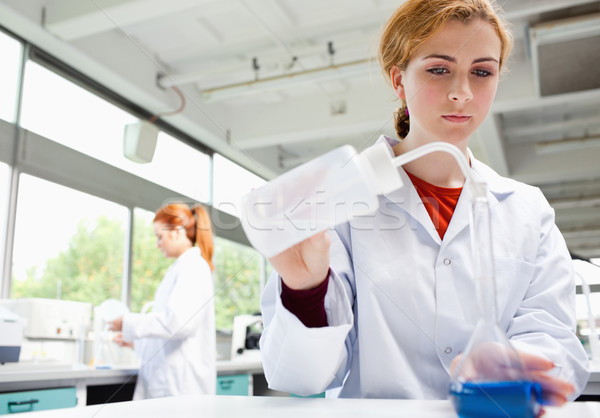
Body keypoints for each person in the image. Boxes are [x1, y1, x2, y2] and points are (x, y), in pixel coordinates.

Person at [259, 0, 590, 407]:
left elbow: (554, 340)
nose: (462, 93)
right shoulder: (342, 204)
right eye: (439, 69)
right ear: (399, 81)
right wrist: (305, 290)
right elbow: (302, 378)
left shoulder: (527, 209)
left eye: (482, 72)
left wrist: (512, 365)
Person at [109, 203, 216, 400]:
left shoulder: (193, 267)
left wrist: (128, 322)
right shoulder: (181, 268)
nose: (157, 244)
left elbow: (178, 323)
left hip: (182, 389)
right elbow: (168, 334)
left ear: (176, 231)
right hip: (170, 385)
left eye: (160, 236)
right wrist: (135, 343)